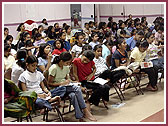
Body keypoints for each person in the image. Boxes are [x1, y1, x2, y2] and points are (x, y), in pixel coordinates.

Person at [48, 52, 96, 121]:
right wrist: (61, 84)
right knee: (77, 89)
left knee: (73, 95)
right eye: (67, 63)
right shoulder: (54, 68)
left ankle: (79, 116)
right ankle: (85, 110)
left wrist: (73, 82)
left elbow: (67, 79)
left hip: (67, 87)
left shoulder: (65, 67)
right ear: (61, 61)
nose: (68, 65)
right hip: (57, 89)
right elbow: (49, 84)